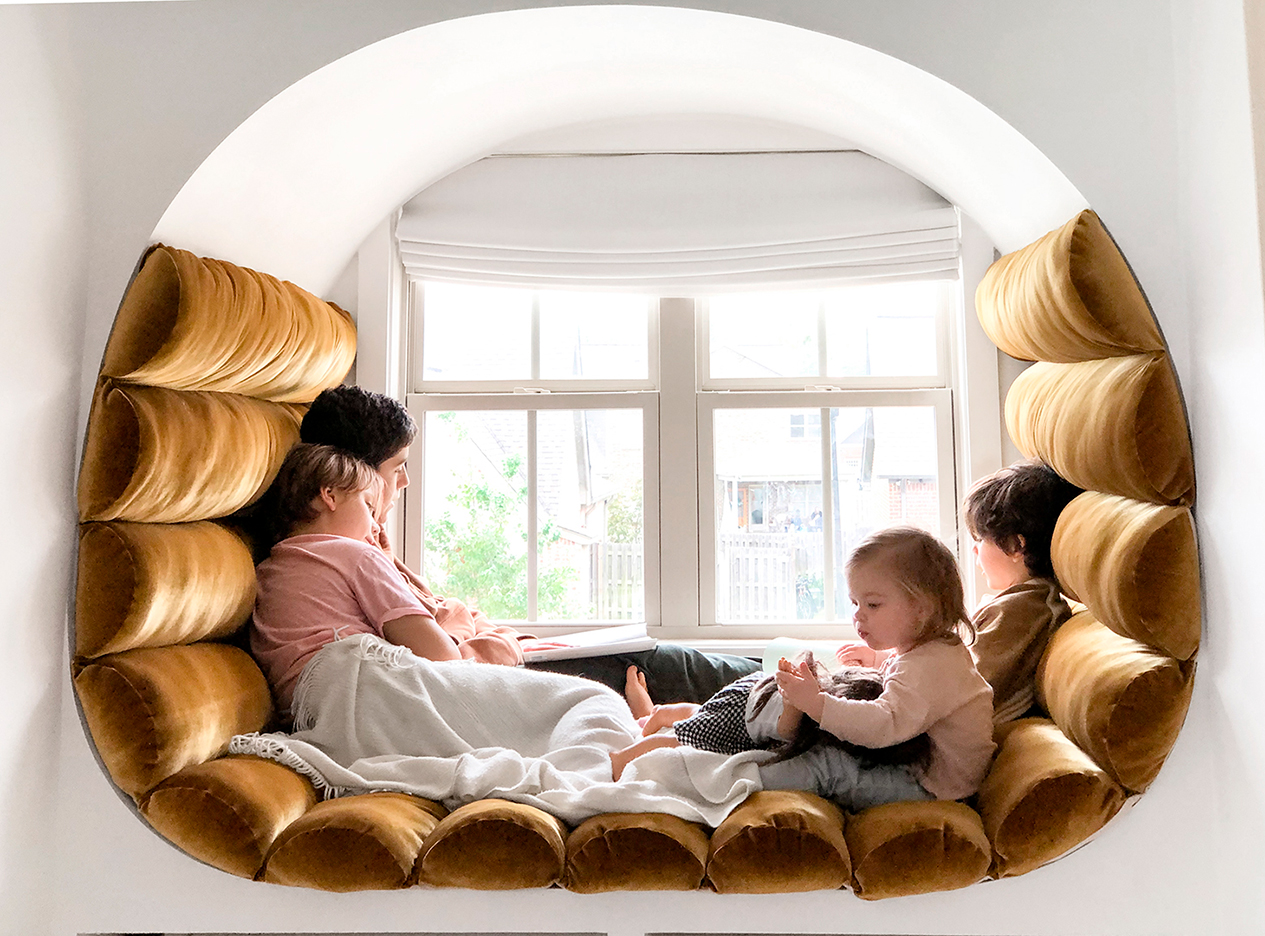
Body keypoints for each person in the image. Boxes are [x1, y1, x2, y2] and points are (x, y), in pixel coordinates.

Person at [298, 385, 760, 703]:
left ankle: (810, 683)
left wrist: (467, 623)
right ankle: (813, 694)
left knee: (666, 657)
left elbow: (447, 621)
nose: (405, 481)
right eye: (396, 466)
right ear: (343, 479)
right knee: (663, 665)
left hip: (501, 658)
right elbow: (443, 652)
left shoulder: (362, 541)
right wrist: (463, 623)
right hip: (491, 682)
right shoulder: (346, 555)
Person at [758, 527, 996, 811]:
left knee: (828, 766)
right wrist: (877, 662)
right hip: (923, 771)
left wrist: (817, 704)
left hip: (935, 790)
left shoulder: (931, 667)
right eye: (854, 602)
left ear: (921, 608)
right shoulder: (935, 651)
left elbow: (884, 724)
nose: (858, 615)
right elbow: (912, 685)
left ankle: (746, 783)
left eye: (872, 604)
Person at [249, 444, 462, 714]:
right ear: (330, 495)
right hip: (368, 693)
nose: (376, 526)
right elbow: (443, 657)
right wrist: (383, 562)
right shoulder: (357, 555)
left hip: (308, 712)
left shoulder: (266, 571)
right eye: (369, 507)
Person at [610, 656, 930, 781]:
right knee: (676, 740)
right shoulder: (816, 713)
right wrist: (795, 701)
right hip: (743, 716)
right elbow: (786, 728)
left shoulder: (836, 697)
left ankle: (653, 712)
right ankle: (622, 756)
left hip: (748, 698)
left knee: (694, 714)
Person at [960, 460, 1082, 723]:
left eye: (980, 540)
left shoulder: (1023, 612)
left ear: (1016, 545)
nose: (974, 550)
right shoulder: (1020, 602)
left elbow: (966, 683)